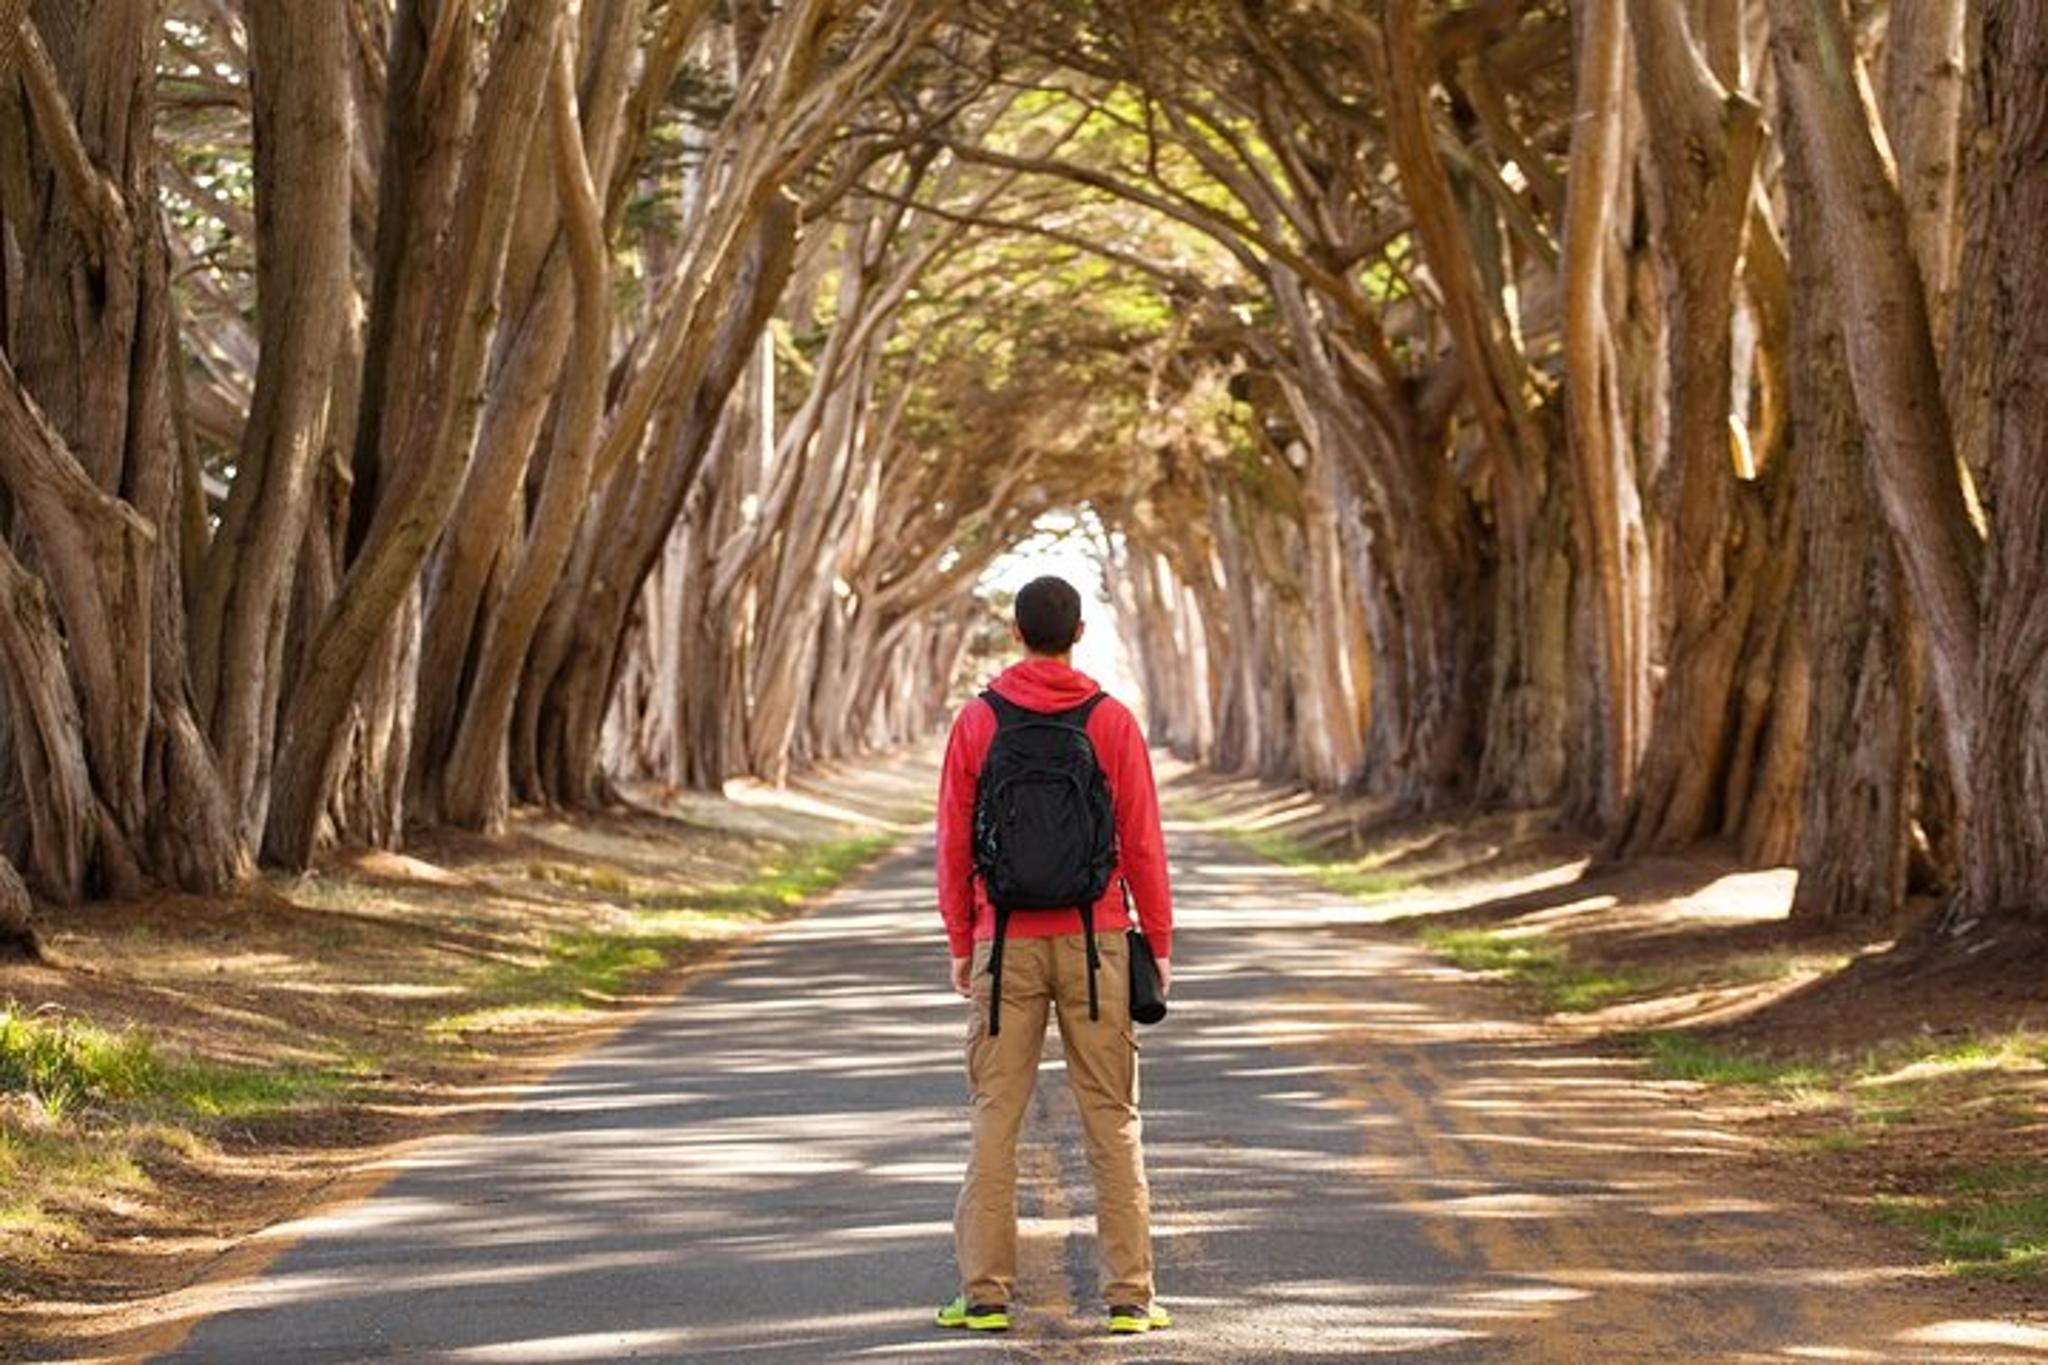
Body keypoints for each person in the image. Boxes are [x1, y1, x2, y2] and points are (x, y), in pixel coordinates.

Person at [932, 575, 1175, 1337]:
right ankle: (1130, 1297)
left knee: (994, 1116)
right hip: (1097, 940)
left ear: (1015, 632)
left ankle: (984, 1296)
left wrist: (960, 939)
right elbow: (1141, 842)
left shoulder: (978, 720)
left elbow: (952, 843)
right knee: (1112, 1117)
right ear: (1078, 632)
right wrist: (1156, 945)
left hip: (1004, 941)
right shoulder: (1109, 721)